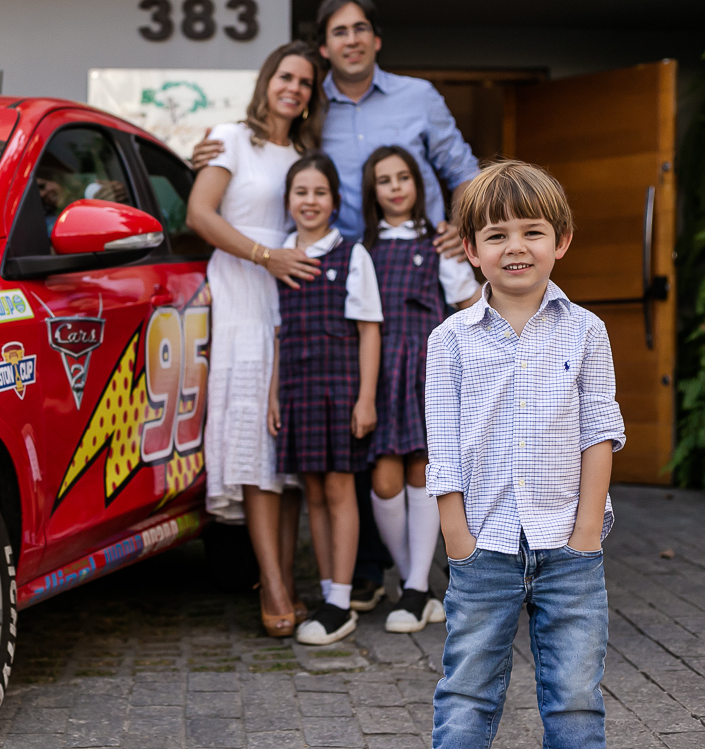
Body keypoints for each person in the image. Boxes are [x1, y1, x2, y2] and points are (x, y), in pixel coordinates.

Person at [192, 0, 481, 609]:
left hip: (402, 271)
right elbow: (252, 165)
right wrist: (206, 151)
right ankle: (367, 572)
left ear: (376, 39)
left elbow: (463, 168)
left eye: (360, 30)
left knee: (400, 432)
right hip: (318, 282)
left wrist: (470, 224)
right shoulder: (311, 109)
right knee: (349, 425)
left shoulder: (416, 98)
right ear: (326, 48)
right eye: (338, 33)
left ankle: (414, 574)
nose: (350, 41)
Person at [425, 160, 625, 748]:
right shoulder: (450, 339)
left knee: (576, 698)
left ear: (560, 242)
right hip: (483, 547)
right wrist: (457, 537)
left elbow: (599, 431)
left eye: (532, 232)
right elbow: (444, 443)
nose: (516, 247)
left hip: (570, 549)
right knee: (467, 693)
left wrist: (586, 530)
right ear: (470, 249)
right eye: (496, 235)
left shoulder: (587, 330)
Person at [187, 41, 326, 637]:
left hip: (291, 296)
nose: (293, 87)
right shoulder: (230, 137)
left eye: (305, 82)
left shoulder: (306, 154)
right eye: (285, 76)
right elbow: (201, 213)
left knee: (285, 448)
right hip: (244, 290)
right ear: (267, 79)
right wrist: (264, 255)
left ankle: (287, 580)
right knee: (251, 440)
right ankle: (270, 584)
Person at [360, 147, 480, 634]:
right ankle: (422, 585)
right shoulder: (362, 249)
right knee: (383, 481)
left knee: (423, 473)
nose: (395, 187)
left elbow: (470, 302)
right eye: (384, 180)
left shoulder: (439, 245)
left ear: (417, 184)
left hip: (428, 370)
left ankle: (412, 589)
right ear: (372, 192)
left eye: (403, 177)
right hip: (380, 370)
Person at [265, 154, 382, 645]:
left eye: (319, 193)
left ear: (334, 202)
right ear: (288, 201)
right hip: (297, 388)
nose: (309, 202)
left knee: (339, 490)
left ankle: (340, 603)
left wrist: (366, 398)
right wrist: (274, 395)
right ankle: (330, 589)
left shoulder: (351, 255)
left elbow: (369, 331)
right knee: (312, 490)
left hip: (340, 389)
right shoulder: (279, 257)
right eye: (300, 193)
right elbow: (277, 333)